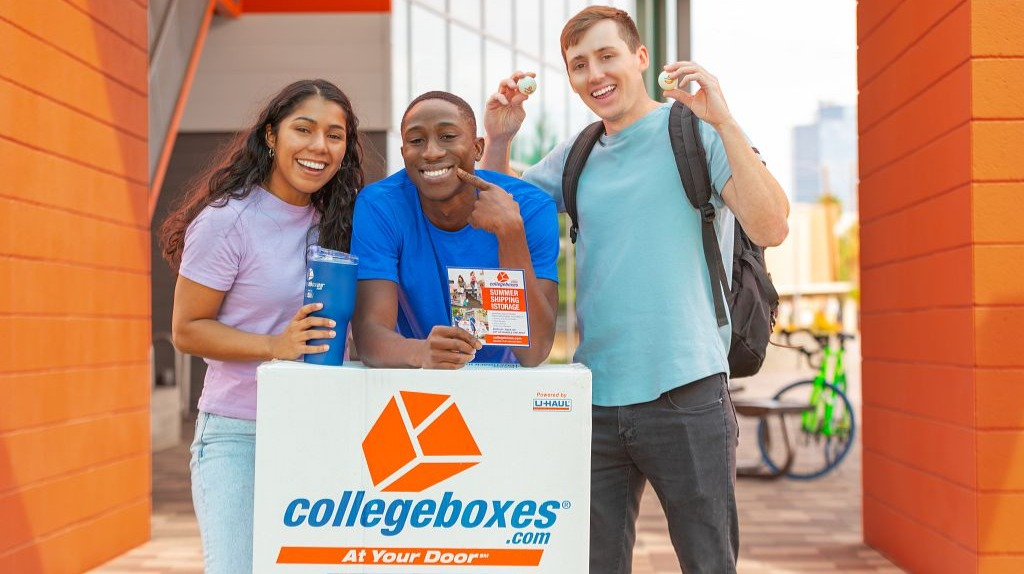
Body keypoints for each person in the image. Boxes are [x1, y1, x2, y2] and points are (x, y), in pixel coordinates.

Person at [481, 6, 789, 573]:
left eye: (606, 56)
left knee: (708, 564)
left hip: (689, 392)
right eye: (578, 64)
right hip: (595, 398)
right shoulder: (576, 155)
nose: (594, 74)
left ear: (639, 58)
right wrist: (497, 141)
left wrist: (724, 121)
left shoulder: (697, 133)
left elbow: (771, 226)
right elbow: (498, 214)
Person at [159, 79, 364, 574]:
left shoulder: (338, 220)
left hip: (321, 429)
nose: (320, 146)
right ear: (271, 136)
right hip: (240, 433)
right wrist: (276, 345)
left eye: (334, 135)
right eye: (304, 129)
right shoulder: (228, 221)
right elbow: (187, 329)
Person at [351, 91, 559, 368]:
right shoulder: (380, 206)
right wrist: (422, 352)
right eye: (416, 140)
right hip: (413, 379)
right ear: (404, 153)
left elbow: (534, 352)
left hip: (504, 381)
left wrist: (511, 234)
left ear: (477, 148)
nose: (432, 152)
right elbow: (369, 338)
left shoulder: (531, 208)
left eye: (448, 136)